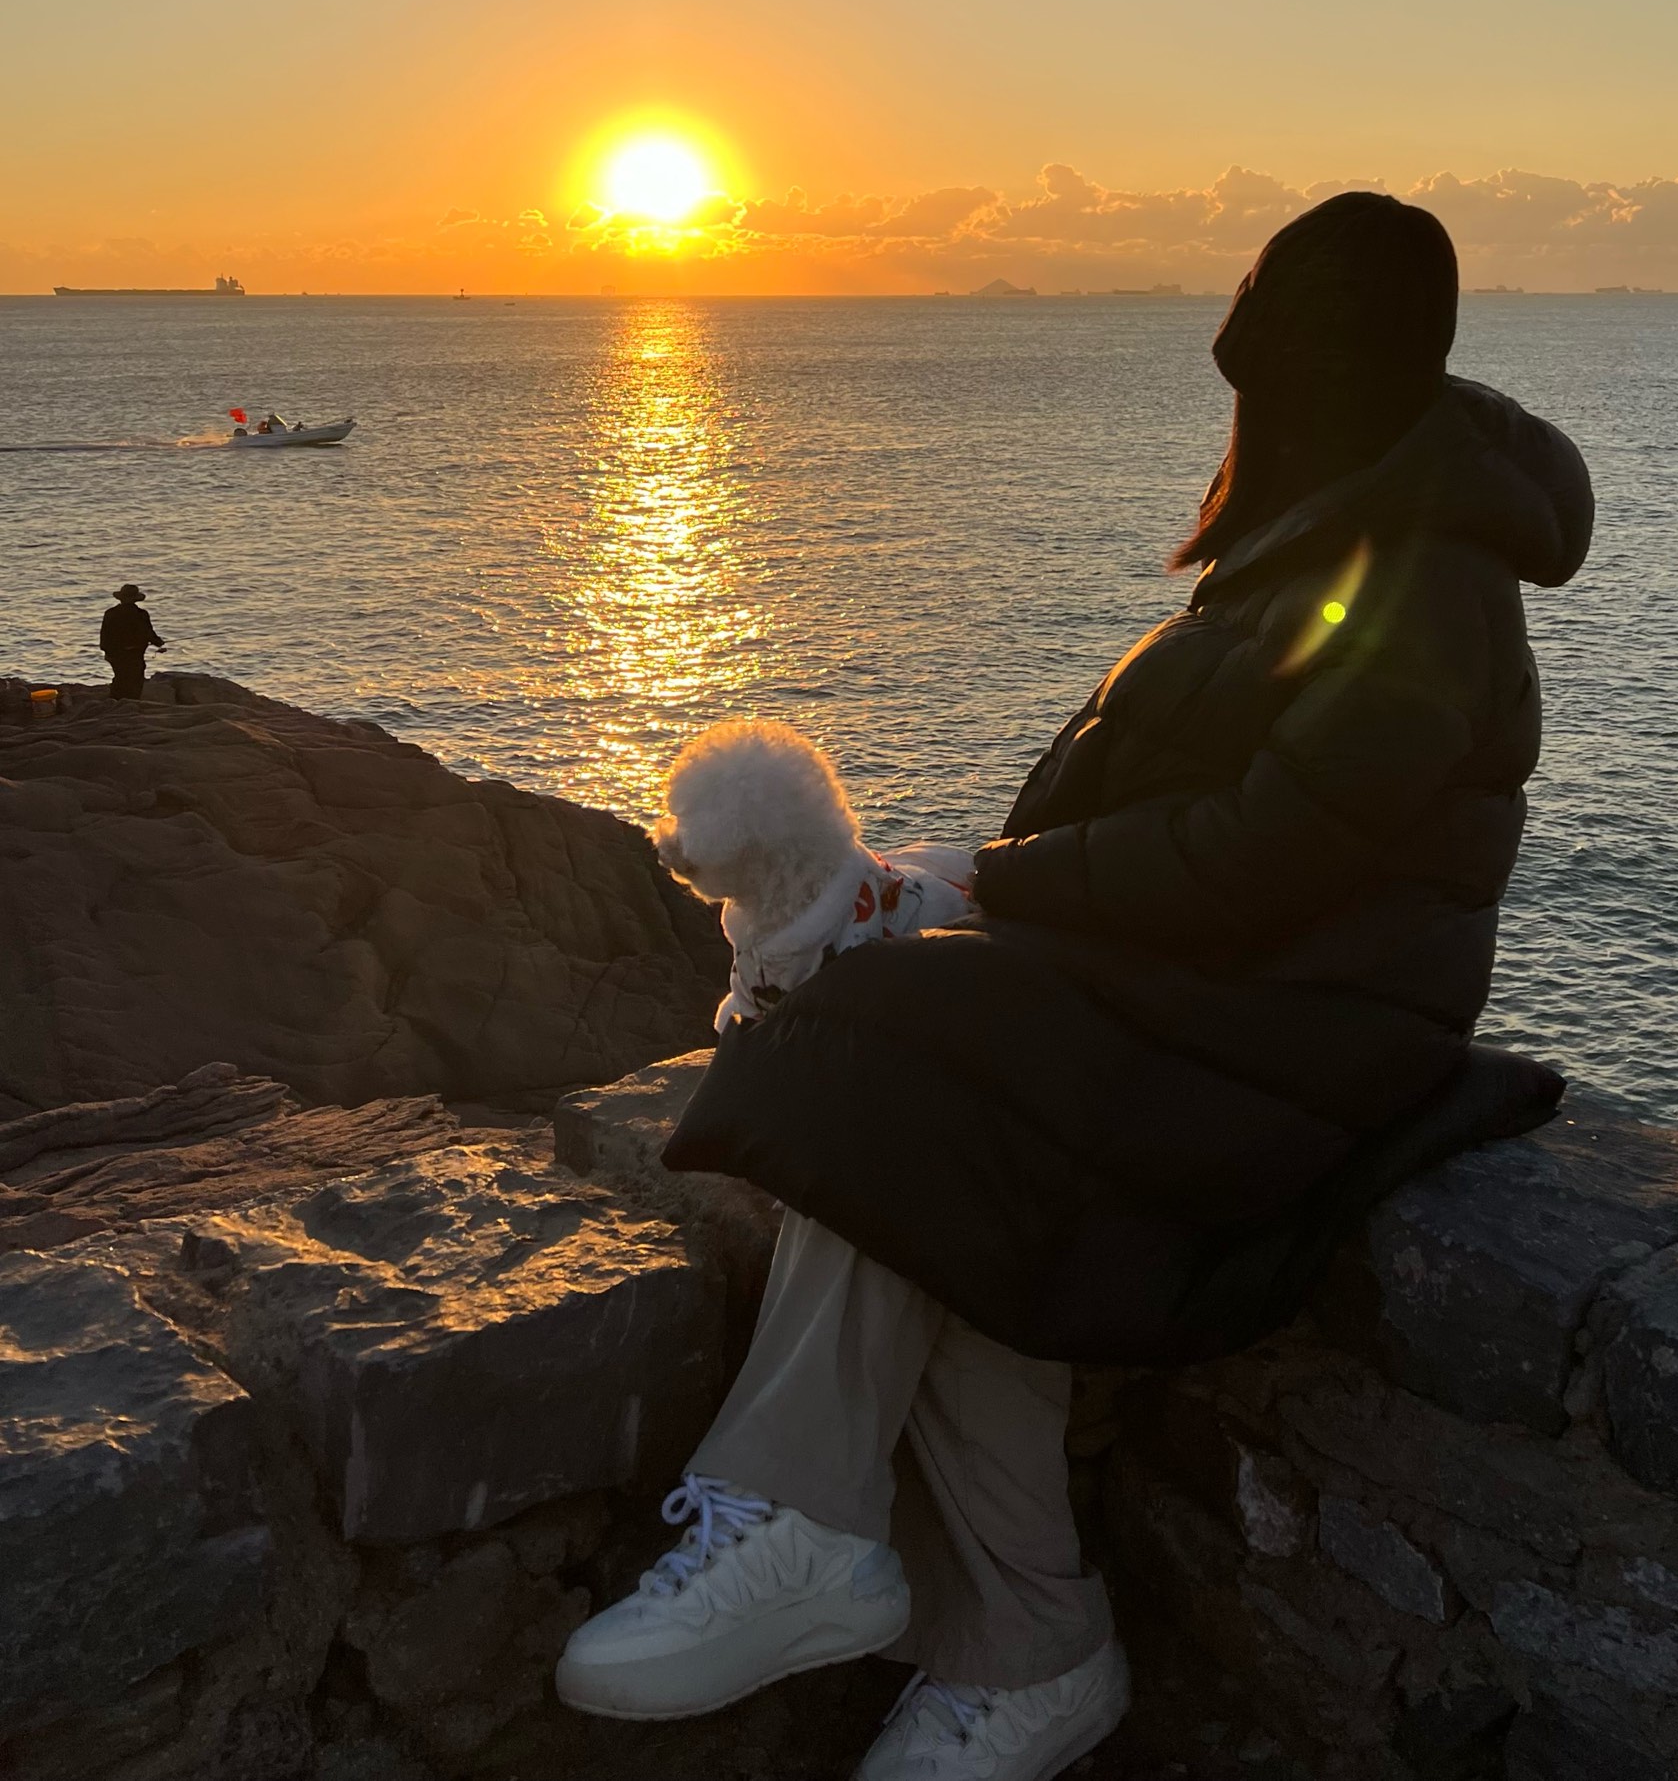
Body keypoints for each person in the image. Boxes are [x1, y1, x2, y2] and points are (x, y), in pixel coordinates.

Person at [556, 192, 1596, 1778]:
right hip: (1223, 998)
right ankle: (1035, 1650)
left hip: (1299, 1036)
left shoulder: (1424, 574)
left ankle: (808, 1517)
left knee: (883, 1043)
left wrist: (994, 882)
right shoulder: (1328, 536)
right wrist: (955, 886)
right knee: (966, 1171)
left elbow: (1272, 855)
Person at [99, 584, 166, 701]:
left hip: (115, 653)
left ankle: (116, 700)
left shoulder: (110, 613)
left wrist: (107, 651)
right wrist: (158, 642)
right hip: (134, 653)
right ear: (135, 599)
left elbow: (104, 634)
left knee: (120, 676)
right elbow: (148, 633)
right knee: (135, 678)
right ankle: (131, 701)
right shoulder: (141, 614)